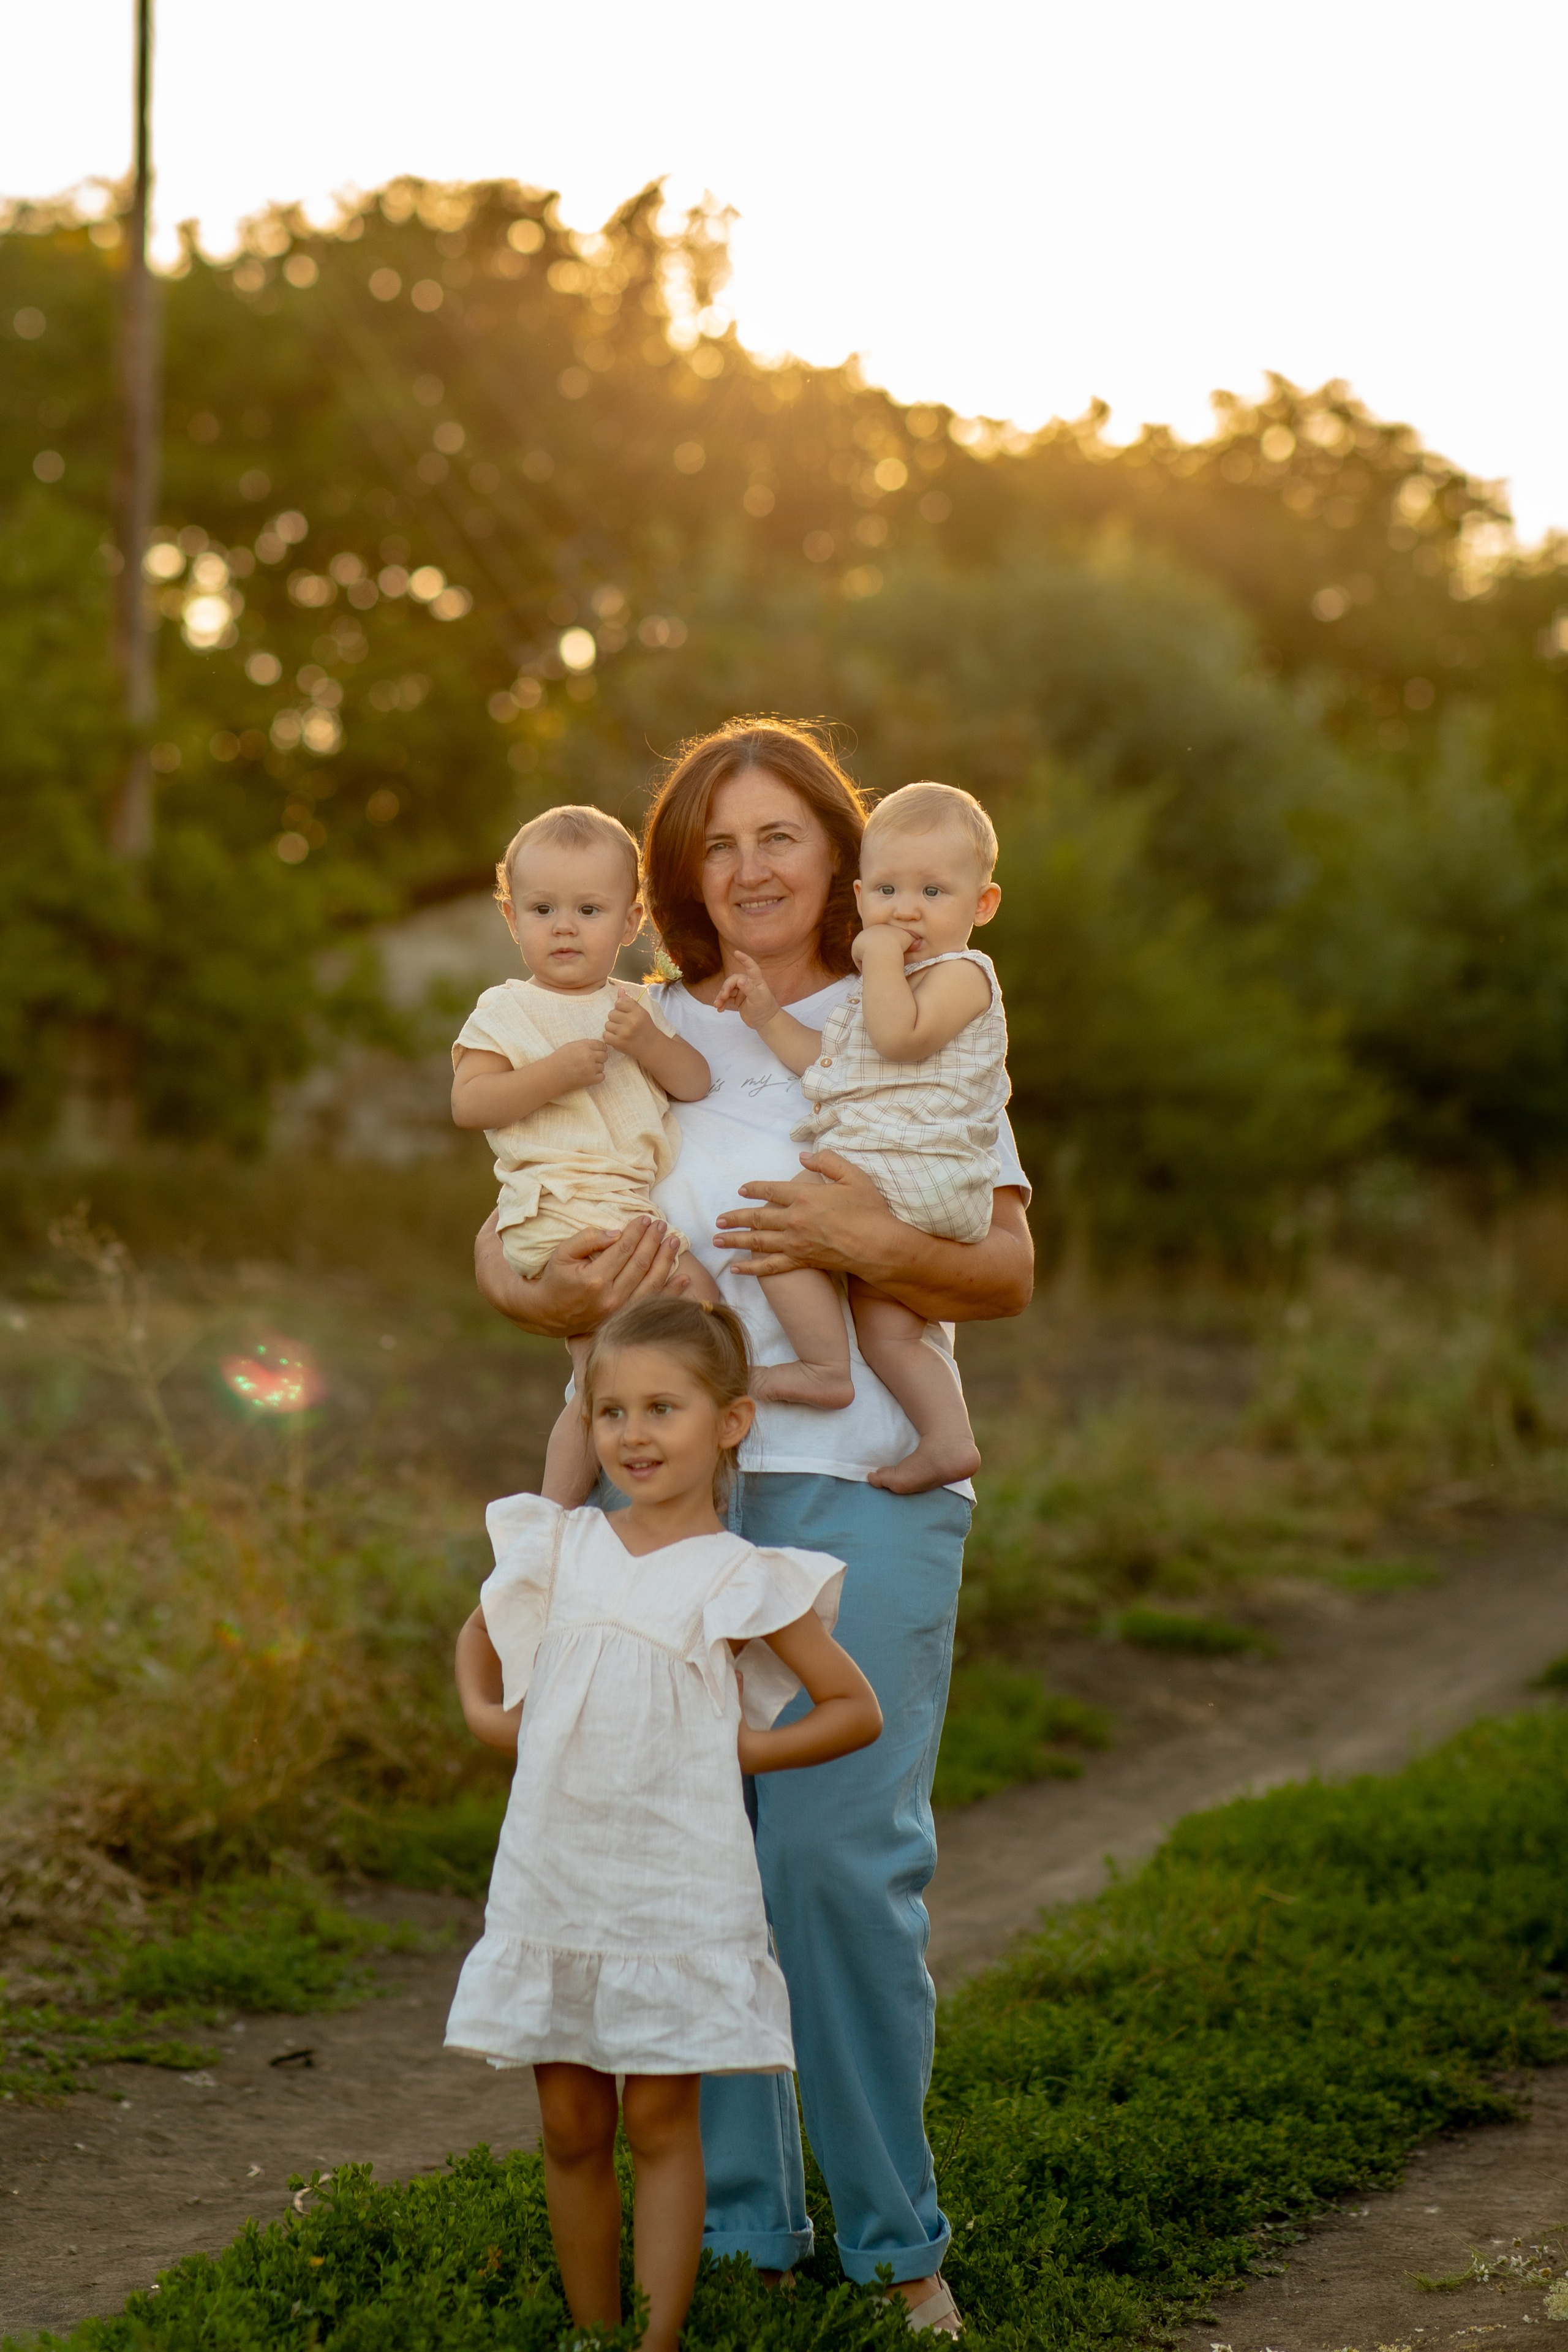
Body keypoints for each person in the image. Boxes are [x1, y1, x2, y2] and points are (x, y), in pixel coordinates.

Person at [475, 718, 1034, 2340]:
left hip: (864, 1480)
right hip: (674, 1504)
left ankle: (894, 2239)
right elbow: (515, 1254)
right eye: (720, 844)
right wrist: (566, 1285)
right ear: (681, 874)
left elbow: (998, 1268)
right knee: (684, 1862)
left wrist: (855, 1231)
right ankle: (739, 2222)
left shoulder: (910, 1014)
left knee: (840, 1868)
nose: (752, 867)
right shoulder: (629, 1025)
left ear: (840, 857)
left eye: (783, 834)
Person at [446, 1295, 881, 2352]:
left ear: (730, 1421)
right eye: (612, 1413)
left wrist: (739, 1747)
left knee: (657, 2120)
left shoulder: (740, 1578)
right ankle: (595, 2334)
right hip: (557, 1871)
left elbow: (852, 1710)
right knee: (570, 2123)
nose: (634, 1435)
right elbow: (481, 1633)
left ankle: (656, 2340)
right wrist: (486, 1713)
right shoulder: (565, 1547)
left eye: (663, 1409)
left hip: (673, 1880)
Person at [452, 804, 853, 1496]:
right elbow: (470, 1103)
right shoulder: (507, 1009)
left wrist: (646, 1043)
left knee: (695, 1321)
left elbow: (695, 1081)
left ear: (630, 921)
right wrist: (552, 1074)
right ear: (512, 919)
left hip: (630, 1214)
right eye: (542, 909)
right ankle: (553, 1520)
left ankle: (714, 1462)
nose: (565, 927)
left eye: (589, 909)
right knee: (600, 1372)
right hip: (561, 1212)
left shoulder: (642, 1007)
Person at [716, 778, 1008, 1493]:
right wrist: (763, 1016)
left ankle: (819, 1370)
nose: (905, 910)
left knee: (782, 1227)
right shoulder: (874, 993)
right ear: (859, 895)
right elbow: (827, 1064)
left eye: (933, 893)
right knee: (889, 1325)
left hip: (920, 1171)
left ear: (983, 905)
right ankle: (947, 1438)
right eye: (886, 892)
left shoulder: (963, 975)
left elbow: (899, 1040)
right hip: (904, 1182)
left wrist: (877, 961)